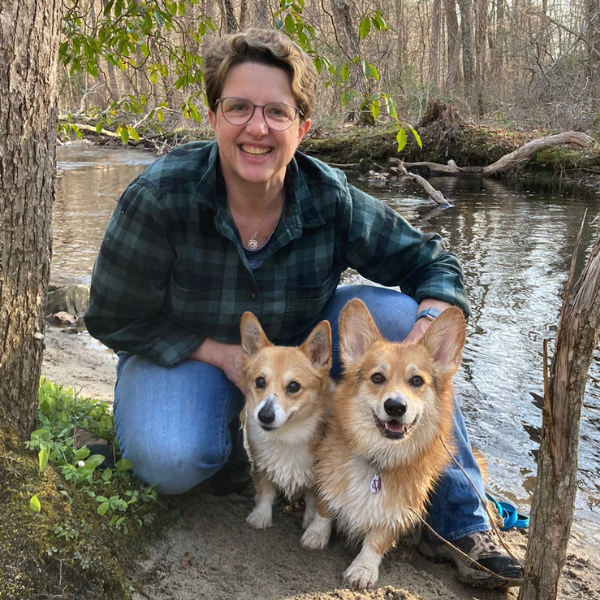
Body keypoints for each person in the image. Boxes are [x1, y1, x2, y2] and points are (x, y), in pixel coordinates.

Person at [84, 28, 523, 589]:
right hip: (191, 356)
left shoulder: (330, 197)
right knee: (169, 458)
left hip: (301, 362)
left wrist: (421, 336)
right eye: (239, 107)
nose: (257, 128)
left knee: (389, 317)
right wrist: (218, 354)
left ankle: (459, 520)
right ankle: (229, 453)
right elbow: (111, 316)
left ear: (302, 127)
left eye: (277, 112)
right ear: (214, 116)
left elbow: (434, 264)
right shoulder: (160, 197)